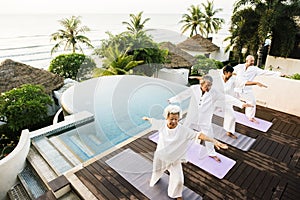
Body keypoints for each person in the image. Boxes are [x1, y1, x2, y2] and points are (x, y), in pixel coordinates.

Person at [143, 104, 228, 200]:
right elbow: (153, 121)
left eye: (176, 119)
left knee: (179, 180)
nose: (174, 121)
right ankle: (153, 180)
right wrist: (147, 118)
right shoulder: (161, 124)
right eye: (171, 119)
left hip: (174, 160)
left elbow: (199, 135)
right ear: (167, 117)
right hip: (161, 157)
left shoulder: (183, 130)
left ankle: (176, 195)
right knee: (157, 172)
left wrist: (214, 141)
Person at [168, 75, 251, 162]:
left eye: (210, 85)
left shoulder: (214, 92)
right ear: (201, 84)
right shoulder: (194, 89)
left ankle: (212, 153)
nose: (209, 87)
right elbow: (183, 95)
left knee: (209, 136)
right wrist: (172, 100)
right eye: (207, 85)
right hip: (192, 116)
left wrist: (241, 104)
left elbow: (226, 98)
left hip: (205, 119)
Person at [211, 65, 267, 139]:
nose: (231, 75)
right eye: (229, 73)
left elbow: (244, 83)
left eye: (232, 74)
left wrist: (256, 83)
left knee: (232, 117)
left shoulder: (233, 79)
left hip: (227, 101)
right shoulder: (218, 79)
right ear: (225, 72)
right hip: (216, 101)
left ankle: (229, 132)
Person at [233, 55, 283, 123]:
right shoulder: (239, 66)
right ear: (247, 60)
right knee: (230, 99)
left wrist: (278, 74)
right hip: (236, 88)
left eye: (253, 60)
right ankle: (222, 108)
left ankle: (250, 117)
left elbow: (265, 72)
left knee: (252, 102)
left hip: (247, 89)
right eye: (251, 61)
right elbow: (230, 70)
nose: (253, 62)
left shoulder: (255, 69)